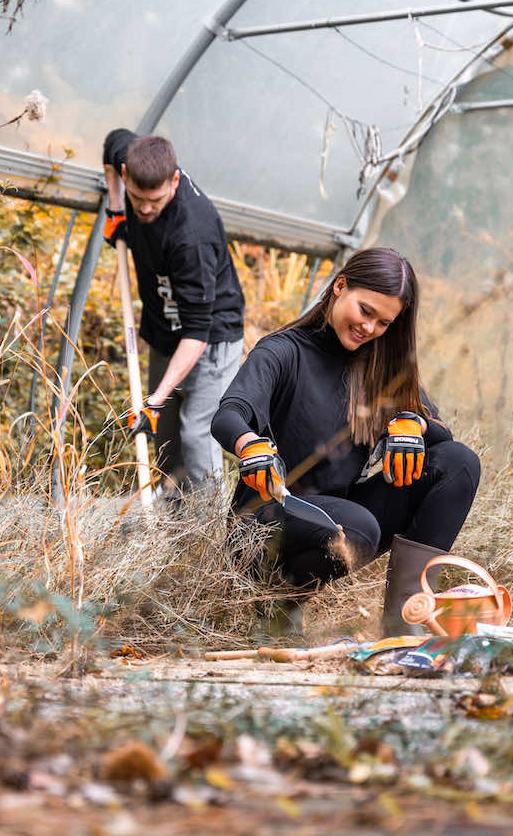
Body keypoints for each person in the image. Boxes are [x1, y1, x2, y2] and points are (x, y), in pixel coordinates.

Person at [209, 247, 480, 637]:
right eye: (365, 311)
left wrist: (410, 422)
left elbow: (442, 438)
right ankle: (277, 608)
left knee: (458, 463)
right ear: (340, 287)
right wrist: (250, 444)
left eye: (384, 322)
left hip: (344, 516)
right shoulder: (283, 350)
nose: (369, 328)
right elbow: (228, 414)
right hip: (264, 523)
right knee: (356, 527)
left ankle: (405, 620)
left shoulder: (377, 364)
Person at [102, 129, 246, 493]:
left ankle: (208, 538)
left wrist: (154, 399)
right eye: (139, 198)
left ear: (175, 180)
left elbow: (198, 332)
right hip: (164, 331)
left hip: (211, 339)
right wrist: (117, 209)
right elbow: (112, 141)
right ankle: (173, 530)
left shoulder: (191, 237)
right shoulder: (130, 159)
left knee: (198, 437)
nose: (147, 208)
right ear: (125, 173)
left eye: (156, 199)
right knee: (164, 442)